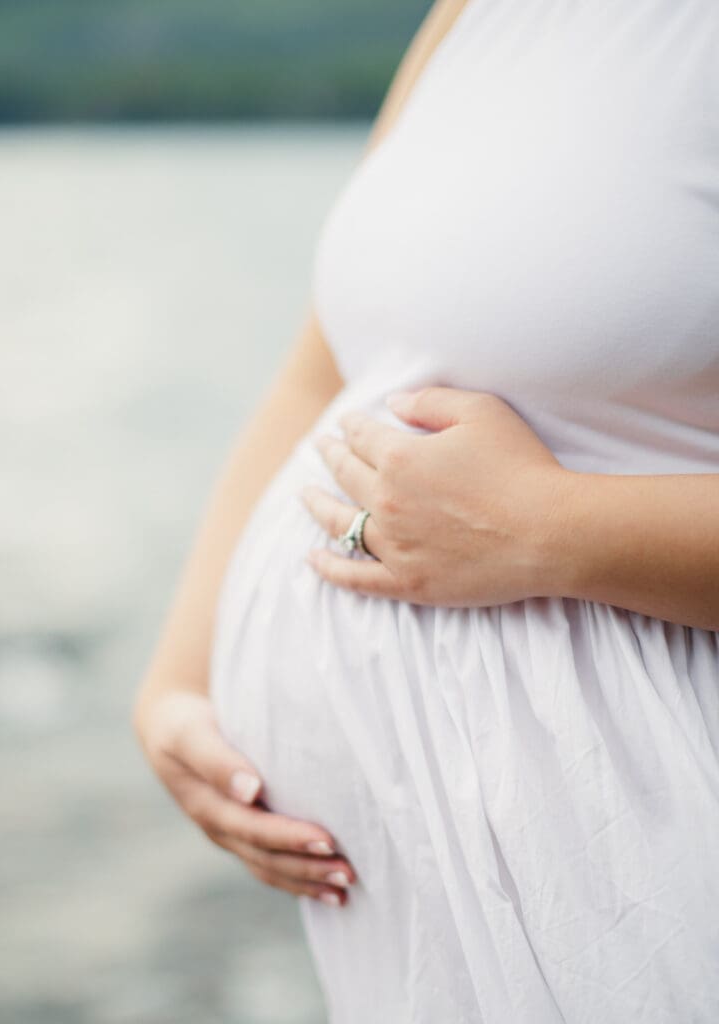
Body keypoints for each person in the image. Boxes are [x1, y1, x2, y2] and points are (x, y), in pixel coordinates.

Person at [133, 0, 719, 1019]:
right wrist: (178, 685)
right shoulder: (474, 12)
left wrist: (558, 530)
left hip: (654, 871)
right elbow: (323, 376)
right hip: (402, 901)